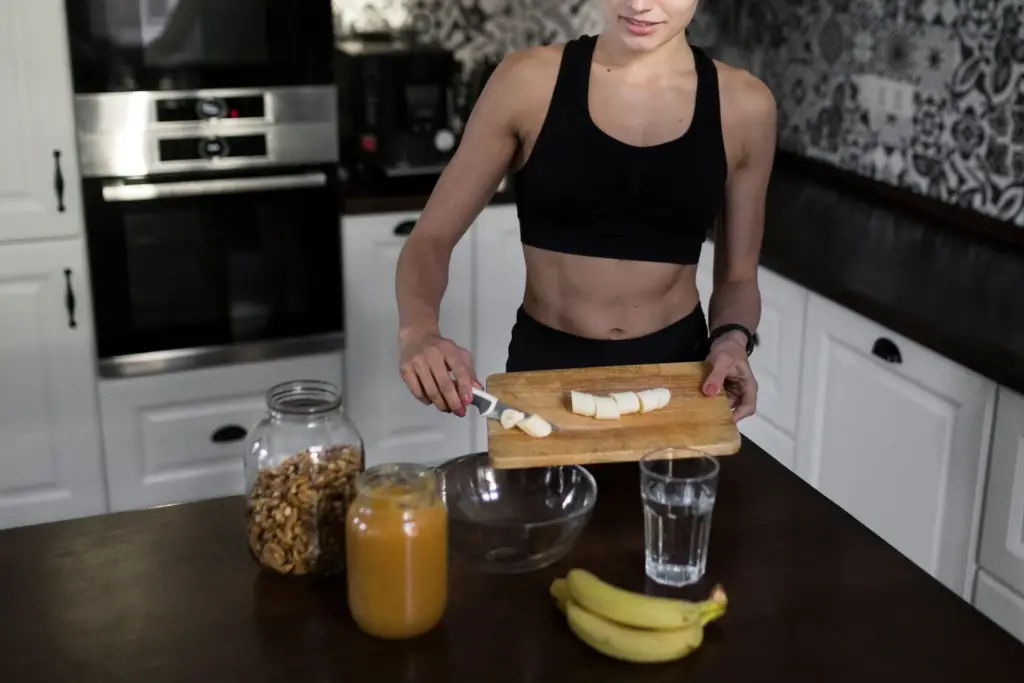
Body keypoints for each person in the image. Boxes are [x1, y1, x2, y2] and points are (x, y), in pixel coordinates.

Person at [394, 0, 776, 423]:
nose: (639, 4)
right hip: (545, 368)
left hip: (679, 375)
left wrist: (730, 340)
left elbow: (739, 278)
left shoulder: (746, 107)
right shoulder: (527, 82)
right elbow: (430, 238)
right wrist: (418, 331)